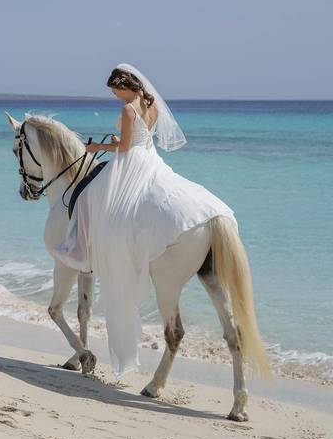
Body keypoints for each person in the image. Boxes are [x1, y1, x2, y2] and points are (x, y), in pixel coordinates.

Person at [56, 64, 234, 375]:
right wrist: (122, 138)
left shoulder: (128, 109)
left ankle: (80, 250)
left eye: (115, 91)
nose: (114, 97)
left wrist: (99, 146)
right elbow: (142, 137)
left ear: (124, 87)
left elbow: (125, 148)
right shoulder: (150, 103)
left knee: (87, 197)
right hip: (150, 159)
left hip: (132, 164)